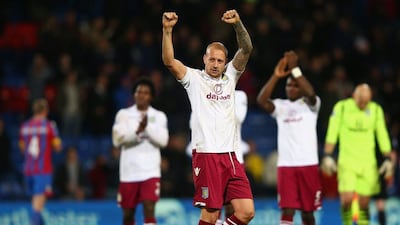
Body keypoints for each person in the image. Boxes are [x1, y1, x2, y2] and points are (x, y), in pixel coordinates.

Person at [162, 9, 255, 225]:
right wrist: (167, 31)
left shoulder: (231, 76)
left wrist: (238, 24)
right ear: (204, 58)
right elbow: (169, 62)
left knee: (246, 212)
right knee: (211, 216)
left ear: (225, 62)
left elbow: (247, 48)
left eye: (220, 61)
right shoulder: (194, 79)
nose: (215, 64)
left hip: (231, 156)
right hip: (207, 155)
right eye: (211, 59)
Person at [257, 51, 322, 225]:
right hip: (286, 165)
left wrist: (295, 69)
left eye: (295, 85)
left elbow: (310, 92)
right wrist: (276, 76)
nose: (290, 88)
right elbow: (262, 101)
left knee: (307, 213)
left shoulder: (312, 105)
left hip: (308, 164)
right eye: (288, 85)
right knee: (287, 210)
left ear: (300, 87)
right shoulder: (281, 106)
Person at [321, 83, 394, 225]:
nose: (363, 105)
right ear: (353, 96)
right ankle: (347, 223)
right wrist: (327, 155)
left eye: (366, 102)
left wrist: (387, 158)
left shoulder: (376, 110)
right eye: (361, 101)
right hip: (347, 161)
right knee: (347, 199)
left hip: (368, 163)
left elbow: (382, 134)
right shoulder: (342, 108)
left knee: (364, 203)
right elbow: (332, 132)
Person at [185, 90, 250, 224]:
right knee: (212, 210)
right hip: (209, 157)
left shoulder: (239, 95)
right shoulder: (202, 94)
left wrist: (218, 101)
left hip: (235, 157)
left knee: (235, 209)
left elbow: (238, 117)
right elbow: (194, 124)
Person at [112, 77, 169, 225]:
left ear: (151, 96)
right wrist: (137, 132)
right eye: (139, 92)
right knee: (128, 215)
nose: (142, 95)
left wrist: (147, 128)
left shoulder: (158, 116)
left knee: (149, 209)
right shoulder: (123, 114)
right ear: (134, 94)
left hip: (150, 171)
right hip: (129, 172)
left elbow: (163, 141)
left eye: (146, 92)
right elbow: (117, 140)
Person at [18, 98, 62, 225]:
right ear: (45, 111)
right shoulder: (49, 126)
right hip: (43, 170)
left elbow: (22, 148)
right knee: (38, 203)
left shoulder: (24, 126)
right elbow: (58, 147)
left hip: (28, 169)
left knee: (36, 202)